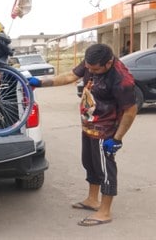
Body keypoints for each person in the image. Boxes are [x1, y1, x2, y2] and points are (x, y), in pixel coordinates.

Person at [28, 44, 137, 227]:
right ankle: (92, 200)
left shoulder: (121, 80)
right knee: (90, 163)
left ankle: (105, 211)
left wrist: (117, 139)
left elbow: (131, 111)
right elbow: (71, 76)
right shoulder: (90, 62)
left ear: (109, 63)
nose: (91, 71)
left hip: (106, 131)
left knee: (105, 169)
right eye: (89, 67)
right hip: (89, 125)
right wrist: (41, 83)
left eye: (95, 69)